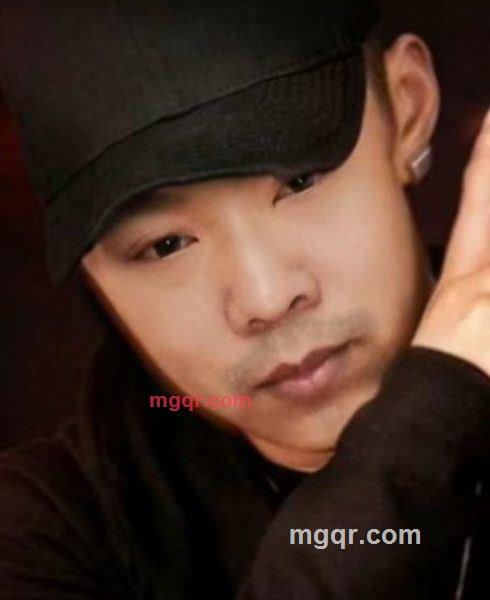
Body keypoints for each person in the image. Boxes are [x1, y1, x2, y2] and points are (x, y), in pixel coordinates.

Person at [0, 1, 488, 598]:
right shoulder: (44, 535)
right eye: (166, 245)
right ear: (94, 275)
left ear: (407, 108)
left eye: (300, 180)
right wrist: (434, 412)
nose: (267, 297)